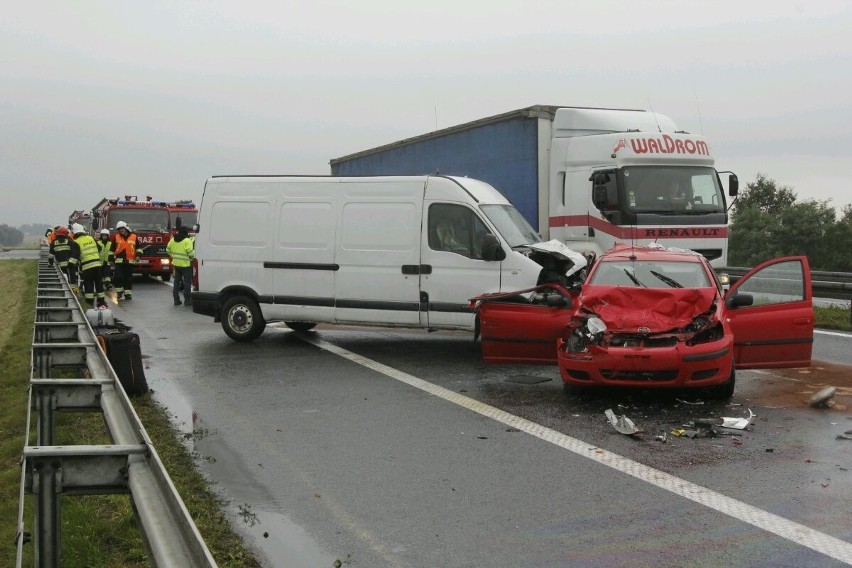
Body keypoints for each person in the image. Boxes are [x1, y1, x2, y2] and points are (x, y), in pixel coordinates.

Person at [70, 224, 107, 308]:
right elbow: (99, 249)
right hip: (97, 265)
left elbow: (74, 257)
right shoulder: (91, 238)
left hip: (87, 267)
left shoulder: (76, 242)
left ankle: (89, 303)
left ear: (74, 233)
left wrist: (70, 264)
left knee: (89, 284)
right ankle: (101, 302)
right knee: (99, 283)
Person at [166, 225, 194, 305]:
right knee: (187, 283)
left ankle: (176, 300)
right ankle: (187, 300)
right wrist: (193, 257)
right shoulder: (187, 240)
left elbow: (167, 250)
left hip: (176, 264)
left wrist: (173, 256)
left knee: (176, 282)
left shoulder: (173, 239)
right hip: (186, 265)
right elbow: (190, 252)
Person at [112, 221, 138, 301]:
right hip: (119, 262)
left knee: (128, 278)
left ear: (126, 228)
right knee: (118, 277)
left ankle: (128, 294)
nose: (121, 230)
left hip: (129, 262)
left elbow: (139, 247)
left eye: (122, 228)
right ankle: (119, 292)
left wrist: (138, 256)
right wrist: (111, 259)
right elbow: (111, 249)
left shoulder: (134, 236)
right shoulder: (116, 237)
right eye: (119, 229)